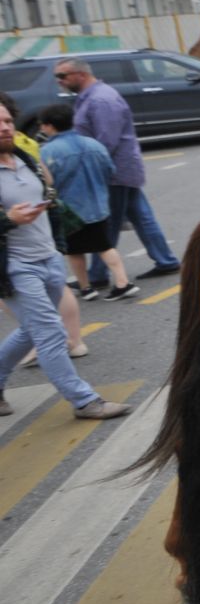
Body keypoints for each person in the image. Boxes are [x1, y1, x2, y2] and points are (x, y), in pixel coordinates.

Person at [0, 100, 130, 420]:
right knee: (50, 332)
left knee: (32, 331)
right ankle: (84, 401)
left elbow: (49, 196)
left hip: (48, 258)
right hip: (15, 267)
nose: (5, 127)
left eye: (6, 121)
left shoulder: (24, 159)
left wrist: (55, 234)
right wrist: (8, 219)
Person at [53, 57, 179, 284]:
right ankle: (166, 260)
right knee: (141, 216)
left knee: (107, 223)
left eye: (62, 76)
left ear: (80, 74)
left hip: (114, 173)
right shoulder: (90, 97)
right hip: (119, 170)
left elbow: (106, 142)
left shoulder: (101, 100)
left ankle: (98, 275)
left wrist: (91, 172)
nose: (59, 81)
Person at [37, 104, 136, 301]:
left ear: (49, 126)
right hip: (98, 205)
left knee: (74, 251)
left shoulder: (48, 151)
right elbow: (110, 170)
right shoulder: (93, 144)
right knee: (105, 246)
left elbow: (47, 182)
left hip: (70, 210)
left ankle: (86, 287)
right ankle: (122, 282)